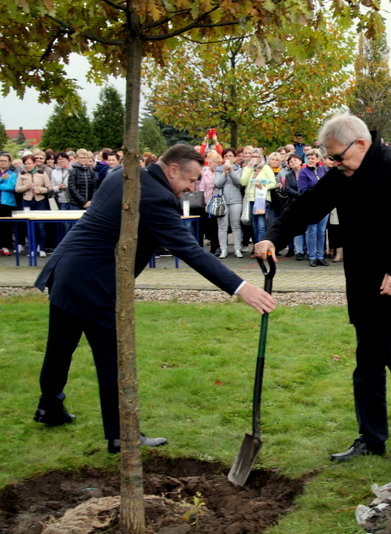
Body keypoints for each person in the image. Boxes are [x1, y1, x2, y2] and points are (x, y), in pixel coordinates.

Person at [32, 144, 276, 453]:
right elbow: (189, 250)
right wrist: (241, 287)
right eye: (191, 180)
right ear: (172, 169)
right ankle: (122, 434)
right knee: (113, 358)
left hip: (66, 271)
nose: (192, 188)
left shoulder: (125, 175)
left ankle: (49, 406)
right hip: (95, 283)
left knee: (60, 347)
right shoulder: (154, 197)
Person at [254, 113, 391, 461]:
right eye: (330, 158)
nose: (334, 163)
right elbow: (306, 207)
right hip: (364, 281)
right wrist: (273, 237)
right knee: (368, 362)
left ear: (360, 144)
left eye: (337, 156)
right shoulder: (342, 174)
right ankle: (371, 439)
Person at [15, 154, 52, 257]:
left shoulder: (42, 173)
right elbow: (17, 189)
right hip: (27, 201)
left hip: (40, 201)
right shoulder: (21, 174)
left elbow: (49, 188)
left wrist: (40, 190)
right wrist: (26, 187)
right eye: (26, 164)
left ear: (34, 163)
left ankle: (42, 248)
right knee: (29, 225)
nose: (28, 165)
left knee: (41, 226)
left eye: (29, 163)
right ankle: (32, 248)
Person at [298, 149, 329, 266]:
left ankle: (320, 256)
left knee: (321, 232)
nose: (310, 160)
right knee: (312, 232)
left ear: (318, 159)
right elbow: (303, 190)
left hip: (324, 206)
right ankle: (312, 256)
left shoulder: (323, 170)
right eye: (308, 158)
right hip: (311, 206)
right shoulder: (303, 172)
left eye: (313, 158)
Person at [214, 148, 244, 258]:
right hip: (222, 201)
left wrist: (231, 171)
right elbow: (217, 184)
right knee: (222, 226)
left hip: (236, 200)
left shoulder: (239, 169)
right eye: (226, 156)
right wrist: (224, 173)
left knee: (236, 225)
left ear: (234, 158)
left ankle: (237, 249)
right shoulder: (218, 170)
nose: (228, 158)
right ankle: (223, 249)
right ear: (223, 158)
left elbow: (239, 182)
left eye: (230, 156)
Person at [0, 152, 19, 255]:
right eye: (0, 161)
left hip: (7, 203)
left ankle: (6, 246)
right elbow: (6, 186)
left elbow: (11, 187)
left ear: (9, 162)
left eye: (5, 161)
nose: (2, 163)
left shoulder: (13, 174)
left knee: (6, 226)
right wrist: (1, 179)